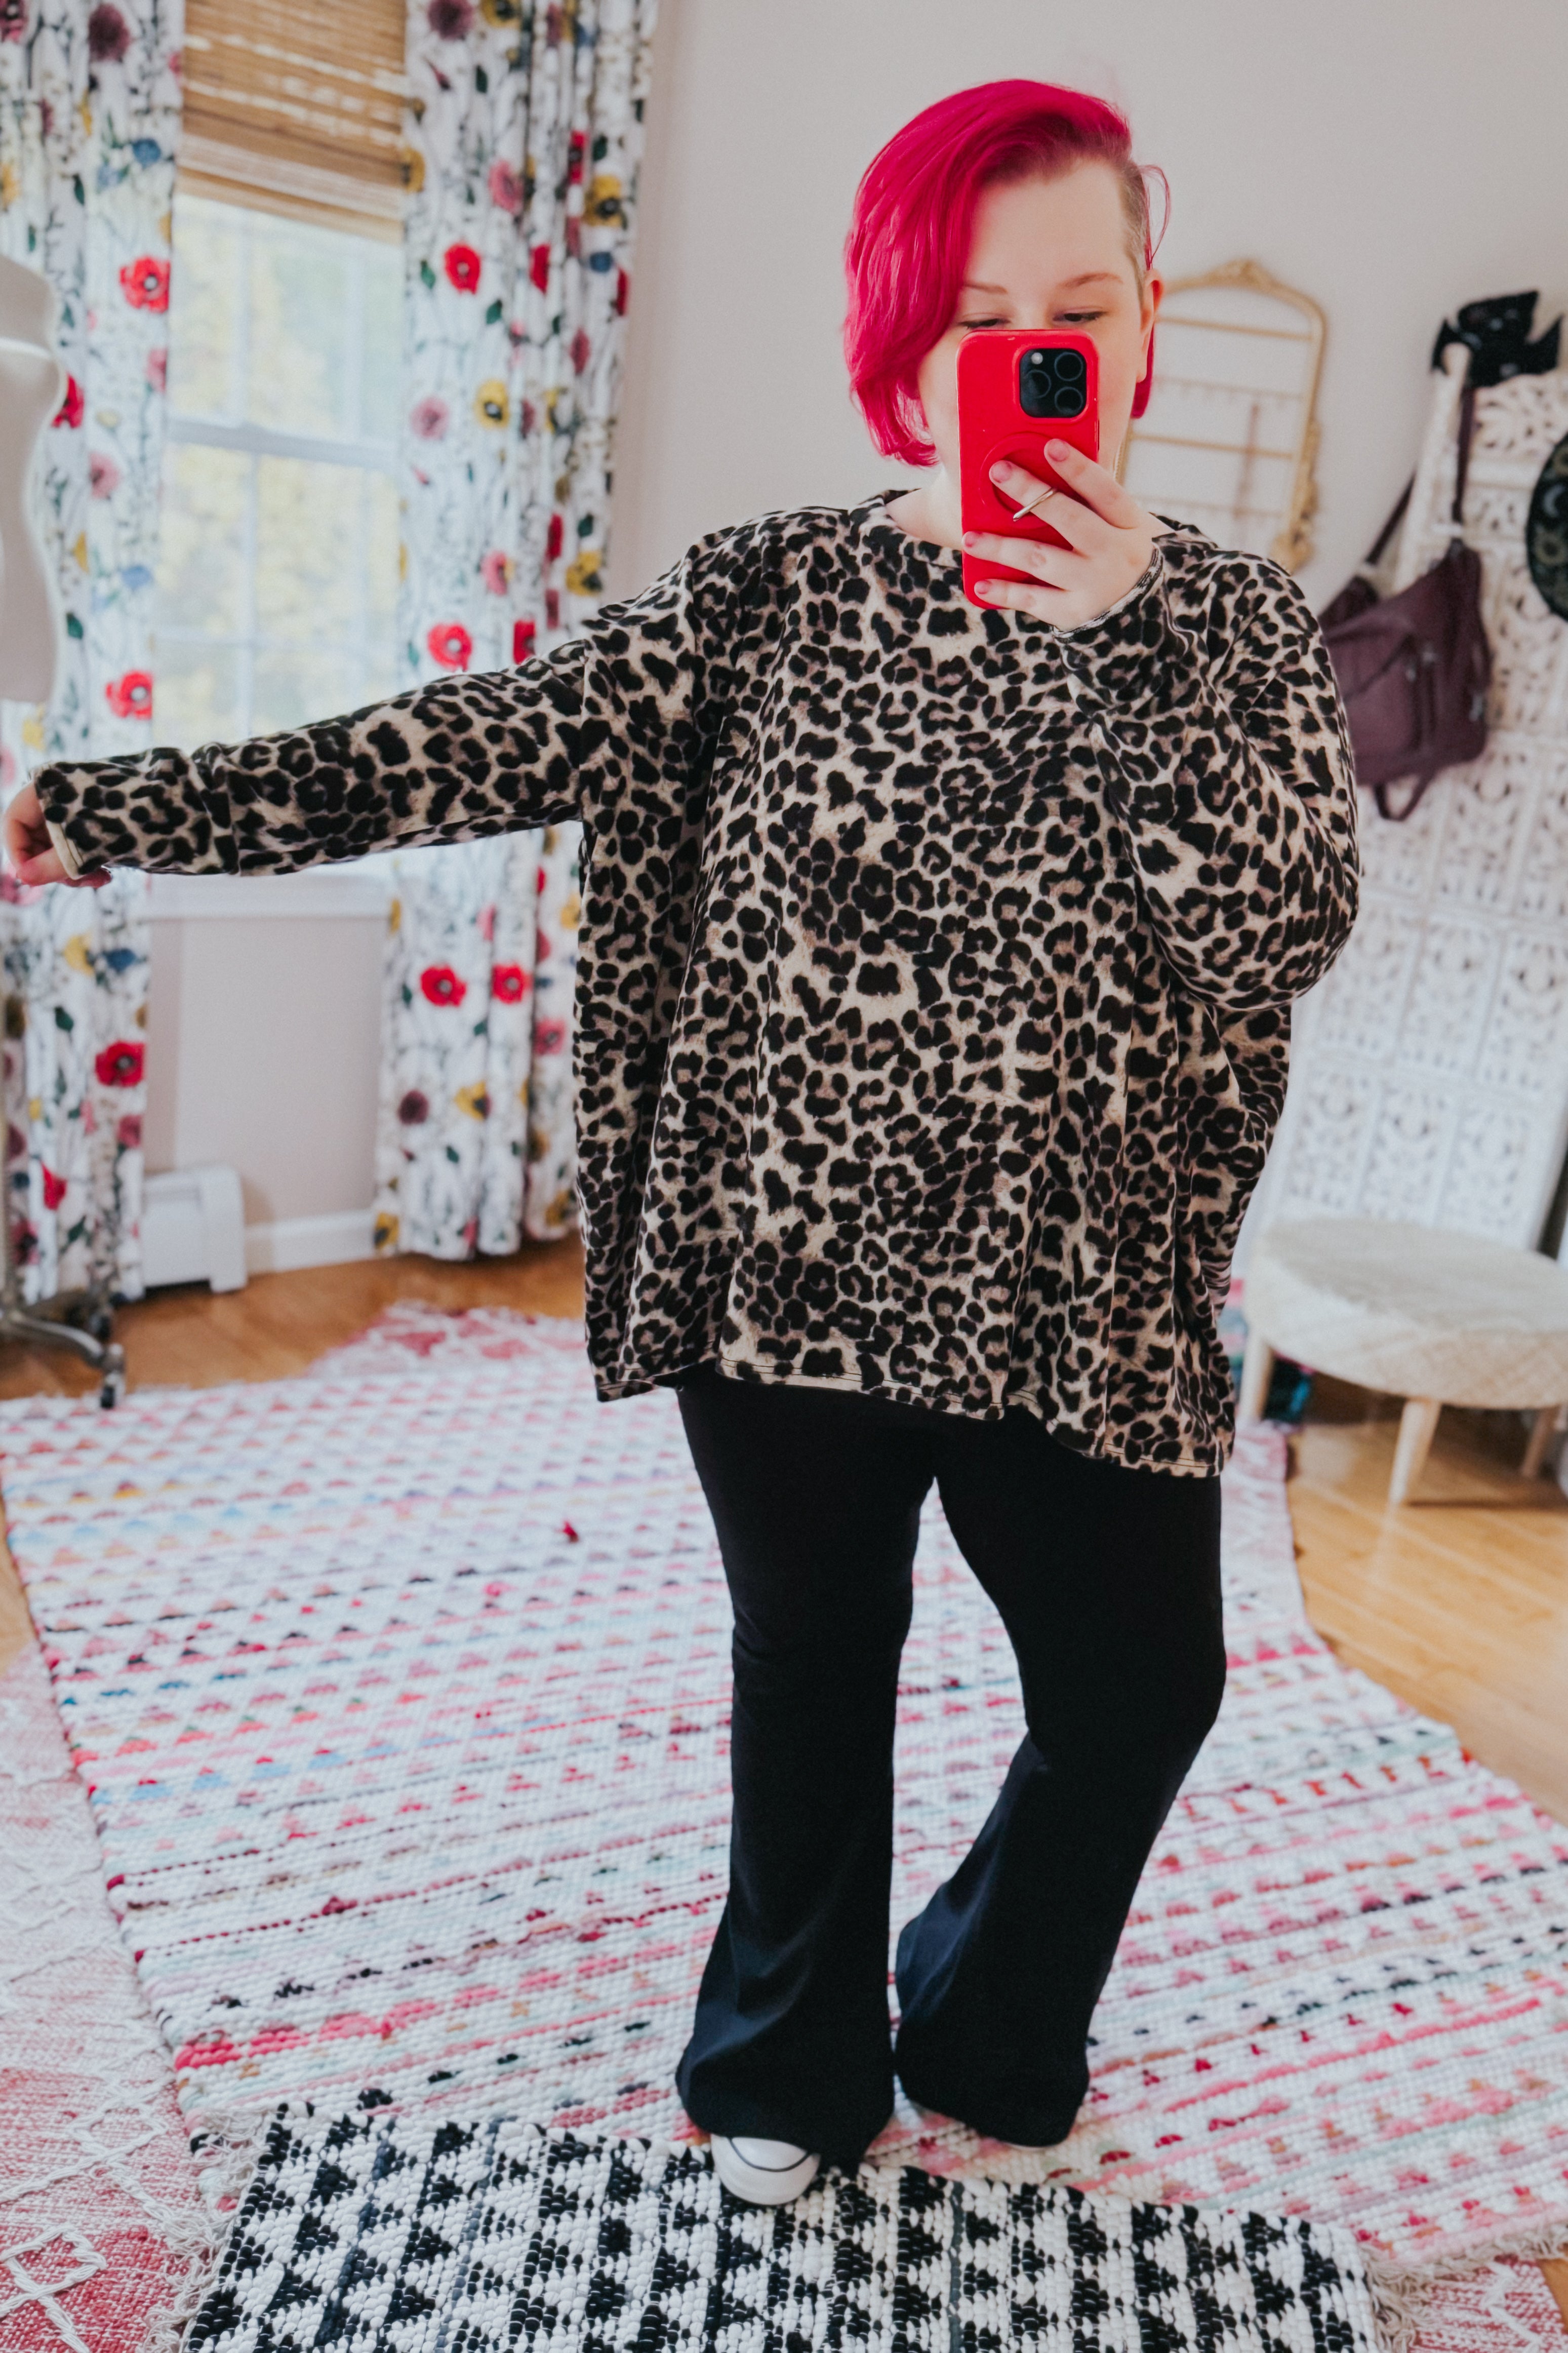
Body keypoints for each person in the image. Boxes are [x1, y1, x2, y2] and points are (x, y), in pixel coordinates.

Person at [5, 81, 1357, 2210]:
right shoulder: (766, 595)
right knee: (812, 1668)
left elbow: (1282, 925)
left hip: (1083, 1279)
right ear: (902, 338)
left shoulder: (1233, 628)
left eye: (1078, 309)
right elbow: (480, 739)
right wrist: (118, 807)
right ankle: (780, 2068)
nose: (1030, 358)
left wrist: (1115, 663)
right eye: (977, 316)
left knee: (1141, 1683)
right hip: (785, 1251)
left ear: (1144, 316)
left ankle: (991, 2014)